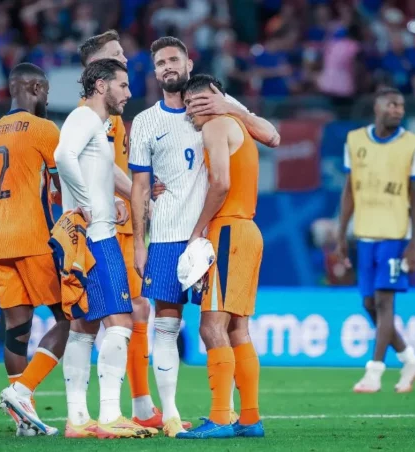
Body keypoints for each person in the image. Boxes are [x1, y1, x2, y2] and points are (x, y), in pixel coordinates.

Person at [128, 36, 279, 438]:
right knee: (215, 327)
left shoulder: (218, 118)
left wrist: (229, 105)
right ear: (155, 70)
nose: (167, 66)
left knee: (212, 328)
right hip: (184, 235)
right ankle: (227, 417)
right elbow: (140, 186)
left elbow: (267, 142)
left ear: (190, 65)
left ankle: (223, 417)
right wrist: (139, 240)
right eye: (160, 61)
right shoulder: (147, 122)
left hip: (217, 234)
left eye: (174, 58)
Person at [55, 58, 156, 439]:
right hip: (96, 237)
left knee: (84, 326)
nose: (129, 93)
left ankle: (78, 419)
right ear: (101, 85)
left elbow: (90, 167)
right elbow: (62, 156)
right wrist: (87, 203)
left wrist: (112, 196)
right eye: (123, 85)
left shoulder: (93, 124)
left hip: (84, 235)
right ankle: (111, 414)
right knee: (121, 321)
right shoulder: (85, 119)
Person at [75, 30, 163, 430]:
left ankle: (108, 410)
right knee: (111, 318)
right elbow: (93, 167)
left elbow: (113, 166)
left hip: (121, 222)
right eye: (116, 56)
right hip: (108, 228)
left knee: (118, 315)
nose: (125, 59)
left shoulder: (109, 113)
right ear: (98, 69)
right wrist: (132, 197)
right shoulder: (92, 114)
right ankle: (118, 409)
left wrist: (140, 194)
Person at [174, 74, 264, 439]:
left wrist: (198, 229)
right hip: (248, 230)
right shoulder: (239, 125)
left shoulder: (215, 126)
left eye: (191, 106)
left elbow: (221, 183)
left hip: (227, 230)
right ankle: (249, 418)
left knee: (210, 326)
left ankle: (221, 418)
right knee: (237, 328)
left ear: (202, 100)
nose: (188, 114)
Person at [0, 62, 70, 437]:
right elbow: (60, 187)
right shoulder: (44, 129)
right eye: (46, 93)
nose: (47, 100)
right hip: (34, 237)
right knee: (72, 317)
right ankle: (23, 391)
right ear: (35, 88)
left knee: (16, 329)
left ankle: (25, 421)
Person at [336, 86, 415, 394]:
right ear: (377, 108)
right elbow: (349, 191)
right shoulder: (355, 141)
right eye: (391, 104)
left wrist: (414, 243)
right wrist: (340, 234)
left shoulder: (413, 146)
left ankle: (374, 371)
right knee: (368, 302)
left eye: (401, 105)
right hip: (365, 234)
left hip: (395, 234)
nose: (397, 109)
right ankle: (409, 359)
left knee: (385, 302)